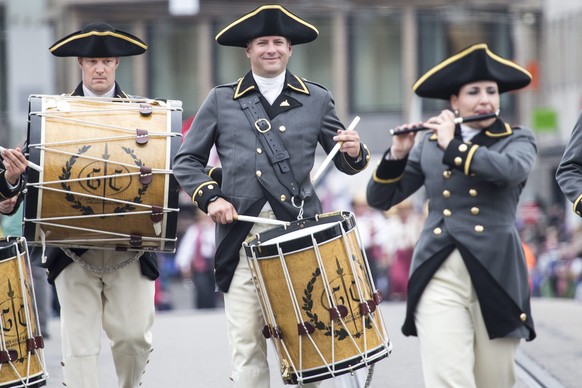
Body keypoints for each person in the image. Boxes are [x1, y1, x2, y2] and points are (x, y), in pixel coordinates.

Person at [173, 5, 370, 387]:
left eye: (278, 42)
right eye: (262, 42)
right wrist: (212, 199)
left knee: (308, 347)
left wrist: (352, 150)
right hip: (240, 240)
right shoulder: (220, 99)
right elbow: (186, 161)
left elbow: (347, 162)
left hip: (300, 239)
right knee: (247, 346)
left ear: (290, 49)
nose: (271, 49)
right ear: (248, 50)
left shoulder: (316, 98)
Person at [366, 43, 537, 387]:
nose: (485, 99)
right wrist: (398, 155)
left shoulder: (518, 139)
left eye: (491, 91)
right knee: (448, 377)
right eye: (473, 92)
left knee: (495, 380)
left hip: (497, 272)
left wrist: (454, 146)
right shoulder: (429, 144)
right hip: (439, 269)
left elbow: (508, 171)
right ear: (454, 102)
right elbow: (381, 198)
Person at [45, 22, 157, 388]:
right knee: (78, 347)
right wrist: (10, 183)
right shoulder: (54, 115)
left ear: (117, 65)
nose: (99, 69)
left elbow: (165, 177)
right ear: (80, 63)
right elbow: (31, 178)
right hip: (73, 249)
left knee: (134, 338)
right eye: (92, 61)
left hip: (131, 247)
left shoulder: (149, 117)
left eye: (106, 61)